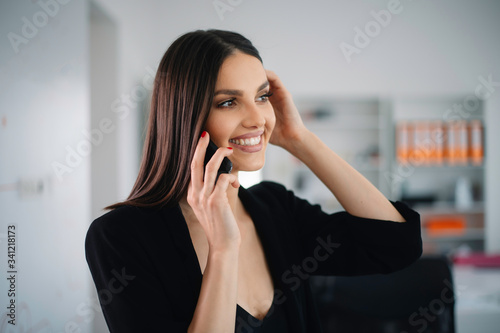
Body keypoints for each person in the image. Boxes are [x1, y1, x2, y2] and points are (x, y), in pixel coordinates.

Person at [85, 29, 422, 333]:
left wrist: (299, 139)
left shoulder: (274, 208)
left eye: (261, 96)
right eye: (229, 102)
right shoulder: (119, 237)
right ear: (186, 117)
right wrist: (223, 250)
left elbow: (396, 245)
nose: (257, 118)